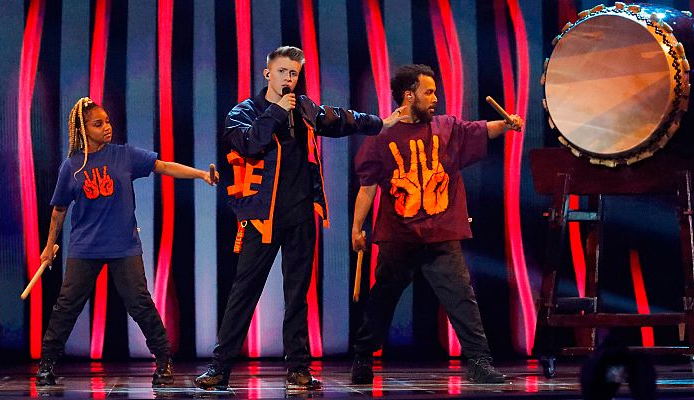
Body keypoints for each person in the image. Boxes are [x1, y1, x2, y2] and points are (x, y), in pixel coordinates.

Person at [194, 46, 407, 391]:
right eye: (282, 72)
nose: (289, 79)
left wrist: (381, 123)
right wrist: (277, 111)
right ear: (268, 74)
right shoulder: (244, 112)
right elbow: (250, 143)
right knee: (244, 292)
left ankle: (298, 368)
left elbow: (340, 119)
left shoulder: (304, 108)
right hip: (262, 218)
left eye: (293, 73)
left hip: (301, 216)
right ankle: (220, 367)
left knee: (297, 295)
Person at [350, 64, 523, 384]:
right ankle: (363, 356)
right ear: (409, 95)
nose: (435, 98)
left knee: (461, 298)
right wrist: (357, 227)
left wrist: (506, 124)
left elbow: (479, 130)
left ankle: (480, 361)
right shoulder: (382, 136)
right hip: (399, 235)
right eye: (428, 92)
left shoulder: (446, 127)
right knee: (383, 297)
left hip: (441, 233)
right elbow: (368, 186)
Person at [35, 97, 218, 387]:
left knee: (140, 303)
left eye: (107, 121)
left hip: (123, 245)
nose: (107, 127)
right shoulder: (71, 166)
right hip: (85, 247)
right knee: (66, 306)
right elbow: (59, 210)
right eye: (98, 124)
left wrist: (201, 175)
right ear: (83, 130)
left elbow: (164, 166)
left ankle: (164, 360)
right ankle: (46, 364)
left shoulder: (124, 155)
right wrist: (48, 247)